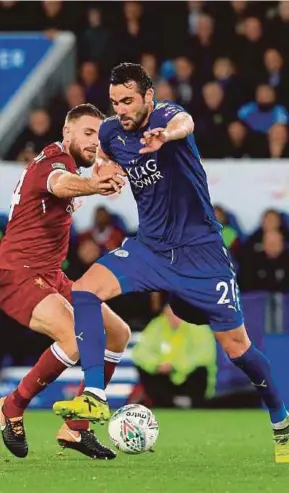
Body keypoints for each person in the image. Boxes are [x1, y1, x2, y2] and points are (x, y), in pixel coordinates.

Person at [54, 63, 289, 463]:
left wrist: (168, 136)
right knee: (84, 289)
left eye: (128, 100)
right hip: (151, 248)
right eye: (115, 103)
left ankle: (281, 423)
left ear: (148, 96)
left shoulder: (166, 117)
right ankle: (94, 394)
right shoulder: (112, 131)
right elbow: (105, 157)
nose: (121, 109)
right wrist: (105, 172)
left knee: (237, 347)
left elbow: (186, 121)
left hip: (202, 255)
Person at [0, 103, 130, 460]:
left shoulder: (73, 162)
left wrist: (103, 167)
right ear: (67, 132)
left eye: (97, 135)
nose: (93, 141)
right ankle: (11, 406)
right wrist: (93, 184)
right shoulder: (53, 163)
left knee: (117, 333)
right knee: (75, 338)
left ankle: (76, 428)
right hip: (19, 272)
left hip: (52, 275)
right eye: (87, 133)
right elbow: (60, 185)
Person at [132, 305, 217, 408]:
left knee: (200, 370)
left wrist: (175, 365)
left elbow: (204, 355)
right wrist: (157, 364)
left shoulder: (198, 326)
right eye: (170, 314)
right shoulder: (156, 325)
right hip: (164, 375)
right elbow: (141, 352)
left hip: (188, 375)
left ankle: (194, 402)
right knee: (145, 370)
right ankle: (164, 403)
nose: (174, 318)